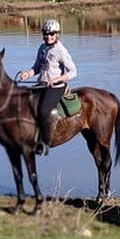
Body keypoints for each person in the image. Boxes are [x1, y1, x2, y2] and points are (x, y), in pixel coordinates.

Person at [18, 19, 77, 156]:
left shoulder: (61, 51)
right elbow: (37, 67)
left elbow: (73, 71)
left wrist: (57, 79)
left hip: (56, 87)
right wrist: (28, 74)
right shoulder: (42, 48)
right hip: (42, 84)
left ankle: (45, 143)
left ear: (57, 35)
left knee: (44, 111)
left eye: (51, 34)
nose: (48, 37)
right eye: (46, 34)